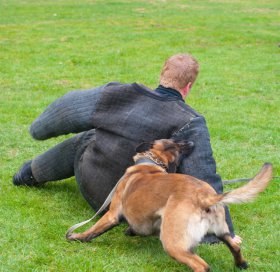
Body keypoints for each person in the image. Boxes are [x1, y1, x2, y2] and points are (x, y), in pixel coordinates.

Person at [13, 53, 241, 244]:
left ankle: (28, 174)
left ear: (162, 74)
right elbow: (204, 174)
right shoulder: (190, 121)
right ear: (188, 86)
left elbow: (67, 108)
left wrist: (38, 130)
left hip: (94, 186)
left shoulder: (116, 93)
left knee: (86, 139)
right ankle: (30, 172)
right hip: (138, 211)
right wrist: (220, 232)